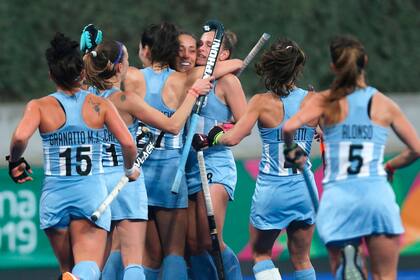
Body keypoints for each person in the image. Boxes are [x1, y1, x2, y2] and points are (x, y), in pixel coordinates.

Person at [282, 35, 420, 280]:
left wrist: (293, 154)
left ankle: (350, 261)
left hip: (340, 197)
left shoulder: (325, 100)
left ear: (333, 67)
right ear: (364, 62)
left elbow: (288, 128)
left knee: (340, 271)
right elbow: (416, 149)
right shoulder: (382, 103)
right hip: (376, 194)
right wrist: (390, 166)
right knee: (385, 274)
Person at [7, 32, 139, 280]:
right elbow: (128, 144)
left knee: (68, 270)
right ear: (81, 73)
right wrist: (129, 170)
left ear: (51, 75)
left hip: (55, 198)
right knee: (88, 268)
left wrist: (15, 161)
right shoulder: (98, 104)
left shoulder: (38, 106)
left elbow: (20, 138)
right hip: (90, 197)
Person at [83, 39, 213, 280]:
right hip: (125, 180)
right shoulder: (124, 100)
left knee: (98, 256)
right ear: (120, 68)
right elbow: (173, 126)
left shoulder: (84, 99)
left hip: (93, 182)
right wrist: (194, 93)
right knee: (134, 257)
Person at [192, 38, 318, 280]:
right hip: (305, 189)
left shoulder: (261, 102)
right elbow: (326, 131)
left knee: (261, 254)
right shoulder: (313, 100)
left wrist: (213, 137)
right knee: (302, 259)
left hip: (273, 190)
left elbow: (233, 138)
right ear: (297, 68)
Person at [185, 29, 247, 280]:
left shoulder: (229, 82)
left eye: (209, 45)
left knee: (209, 239)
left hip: (215, 163)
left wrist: (218, 131)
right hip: (187, 165)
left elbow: (244, 123)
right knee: (192, 245)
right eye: (200, 44)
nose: (200, 49)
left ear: (223, 54)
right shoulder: (189, 77)